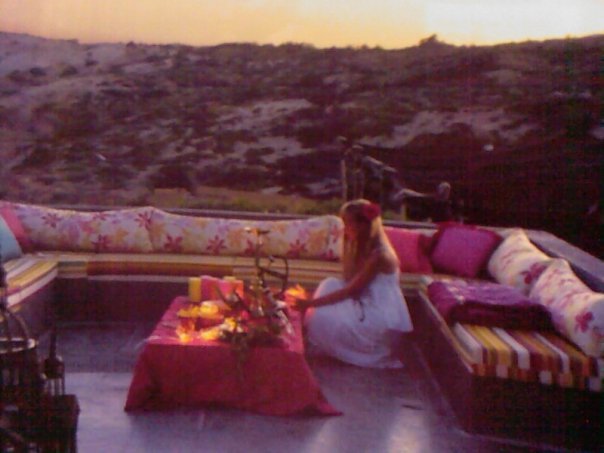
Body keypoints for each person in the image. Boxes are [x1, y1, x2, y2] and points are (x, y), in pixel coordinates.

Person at [291, 199, 413, 368]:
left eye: (348, 224)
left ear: (362, 225)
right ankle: (317, 338)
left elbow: (350, 290)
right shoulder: (363, 246)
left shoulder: (380, 256)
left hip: (378, 314)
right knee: (330, 284)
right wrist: (349, 245)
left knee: (322, 314)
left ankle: (342, 346)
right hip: (364, 300)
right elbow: (348, 278)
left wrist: (309, 303)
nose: (345, 229)